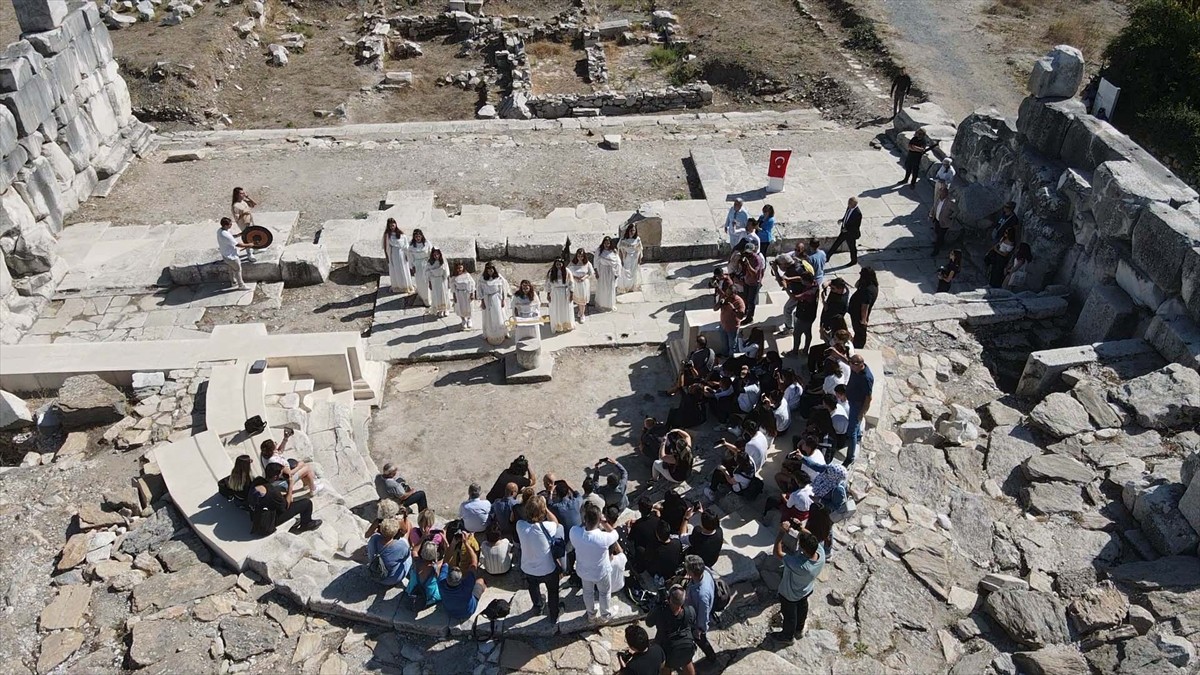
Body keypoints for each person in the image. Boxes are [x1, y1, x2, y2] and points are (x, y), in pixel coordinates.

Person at [770, 523, 825, 645]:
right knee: (802, 607)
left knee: (789, 615)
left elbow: (777, 552)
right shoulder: (820, 553)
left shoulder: (799, 565)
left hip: (790, 594)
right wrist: (799, 527)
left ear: (804, 550)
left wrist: (781, 533)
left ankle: (787, 636)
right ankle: (799, 629)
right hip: (806, 589)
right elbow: (810, 536)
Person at [570, 501, 621, 621]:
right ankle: (605, 615)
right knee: (604, 593)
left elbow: (579, 527)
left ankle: (591, 614)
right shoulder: (603, 538)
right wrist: (604, 522)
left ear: (584, 519)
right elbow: (615, 534)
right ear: (598, 520)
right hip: (601, 572)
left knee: (587, 593)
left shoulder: (574, 532)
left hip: (583, 571)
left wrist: (586, 521)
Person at [516, 495, 563, 620]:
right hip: (548, 569)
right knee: (553, 592)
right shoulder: (548, 527)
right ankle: (554, 614)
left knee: (533, 586)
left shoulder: (520, 526)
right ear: (542, 512)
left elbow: (524, 520)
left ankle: (538, 606)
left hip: (528, 568)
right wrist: (546, 508)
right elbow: (556, 523)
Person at [251, 463, 321, 533]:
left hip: (256, 516)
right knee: (306, 503)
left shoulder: (257, 481)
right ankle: (306, 524)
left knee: (285, 498)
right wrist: (290, 486)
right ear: (275, 477)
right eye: (281, 474)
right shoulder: (273, 492)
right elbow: (286, 506)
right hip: (268, 524)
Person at [647, 586, 697, 675]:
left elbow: (648, 623)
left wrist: (657, 605)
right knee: (687, 661)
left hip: (666, 648)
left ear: (669, 598)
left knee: (665, 666)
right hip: (685, 646)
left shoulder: (660, 612)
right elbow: (692, 623)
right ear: (684, 600)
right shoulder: (690, 611)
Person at [683, 555, 719, 663]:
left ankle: (711, 657)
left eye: (686, 568)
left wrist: (700, 629)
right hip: (694, 606)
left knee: (701, 640)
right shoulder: (706, 572)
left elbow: (703, 615)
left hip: (696, 620)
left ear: (692, 573)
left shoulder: (702, 594)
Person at [843, 355, 873, 467]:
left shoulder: (866, 378)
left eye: (852, 365)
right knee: (855, 427)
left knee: (851, 431)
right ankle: (858, 435)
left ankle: (850, 457)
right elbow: (846, 360)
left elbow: (868, 398)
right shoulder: (855, 368)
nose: (850, 366)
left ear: (860, 365)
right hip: (852, 399)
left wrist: (862, 413)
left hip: (857, 405)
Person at [366, 515, 412, 586]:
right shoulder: (401, 546)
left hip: (374, 574)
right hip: (392, 579)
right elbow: (407, 556)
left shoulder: (374, 538)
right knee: (409, 555)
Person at [406, 540, 445, 609]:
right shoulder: (435, 568)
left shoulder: (416, 562)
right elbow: (445, 560)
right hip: (428, 598)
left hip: (412, 592)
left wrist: (423, 536)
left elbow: (414, 551)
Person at [642, 519, 684, 583]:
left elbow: (647, 559)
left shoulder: (654, 548)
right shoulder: (677, 542)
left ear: (657, 534)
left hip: (659, 572)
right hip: (672, 569)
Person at [478, 262, 510, 345]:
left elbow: (502, 289)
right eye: (488, 269)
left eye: (491, 269)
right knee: (489, 317)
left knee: (499, 315)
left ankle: (503, 332)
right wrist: (482, 302)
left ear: (494, 269)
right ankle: (490, 334)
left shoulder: (499, 277)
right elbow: (480, 290)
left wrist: (503, 300)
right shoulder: (482, 279)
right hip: (487, 299)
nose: (490, 271)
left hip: (497, 298)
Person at [217, 217, 251, 291]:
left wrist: (239, 235)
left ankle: (233, 282)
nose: (231, 225)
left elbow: (231, 237)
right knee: (238, 270)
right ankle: (241, 285)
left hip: (225, 255)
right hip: (232, 257)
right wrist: (249, 245)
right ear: (225, 225)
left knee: (231, 269)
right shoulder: (225, 235)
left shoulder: (220, 231)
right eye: (230, 224)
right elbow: (238, 244)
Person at [848, 267, 878, 349]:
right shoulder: (871, 284)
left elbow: (865, 307)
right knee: (859, 331)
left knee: (860, 331)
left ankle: (858, 346)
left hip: (858, 315)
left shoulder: (868, 291)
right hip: (856, 311)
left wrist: (863, 320)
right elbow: (856, 285)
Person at [383, 218, 415, 295]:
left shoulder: (401, 234)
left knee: (404, 269)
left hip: (402, 254)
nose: (392, 227)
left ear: (396, 224)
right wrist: (388, 257)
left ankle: (406, 285)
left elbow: (406, 244)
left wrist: (407, 254)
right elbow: (386, 247)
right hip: (394, 254)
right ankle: (398, 286)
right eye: (390, 226)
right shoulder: (387, 236)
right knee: (396, 270)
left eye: (393, 225)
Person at [736, 243, 765, 324]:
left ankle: (750, 318)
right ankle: (745, 312)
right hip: (747, 281)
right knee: (745, 298)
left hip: (754, 283)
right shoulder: (746, 257)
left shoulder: (757, 259)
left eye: (749, 253)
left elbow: (754, 273)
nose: (747, 254)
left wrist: (748, 264)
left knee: (751, 301)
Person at [827, 197, 862, 266]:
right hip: (844, 231)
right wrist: (842, 220)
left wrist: (847, 230)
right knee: (836, 243)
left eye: (850, 203)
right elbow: (847, 216)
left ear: (854, 204)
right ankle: (828, 256)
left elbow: (856, 226)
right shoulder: (849, 207)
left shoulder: (858, 214)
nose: (848, 204)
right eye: (848, 202)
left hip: (850, 234)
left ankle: (854, 260)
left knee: (852, 247)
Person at [715, 280, 745, 357]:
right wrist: (720, 303)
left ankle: (731, 360)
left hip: (732, 328)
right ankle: (725, 356)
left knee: (732, 346)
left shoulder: (739, 302)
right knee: (724, 344)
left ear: (734, 294)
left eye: (729, 294)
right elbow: (715, 309)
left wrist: (733, 309)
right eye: (727, 293)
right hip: (723, 325)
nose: (727, 296)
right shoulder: (724, 297)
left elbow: (741, 316)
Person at [546, 259, 575, 333]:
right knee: (556, 308)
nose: (559, 266)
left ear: (563, 264)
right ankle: (558, 325)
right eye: (557, 264)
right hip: (555, 293)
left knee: (565, 308)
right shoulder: (551, 272)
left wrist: (571, 293)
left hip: (565, 292)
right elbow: (548, 284)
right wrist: (548, 294)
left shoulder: (567, 271)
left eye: (560, 264)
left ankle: (566, 324)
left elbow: (571, 283)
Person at [594, 236, 622, 311]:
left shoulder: (614, 251)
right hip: (602, 271)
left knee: (610, 288)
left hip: (611, 272)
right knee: (603, 287)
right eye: (605, 243)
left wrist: (617, 273)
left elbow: (618, 262)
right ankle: (602, 304)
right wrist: (596, 272)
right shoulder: (599, 250)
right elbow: (595, 261)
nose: (607, 245)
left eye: (608, 243)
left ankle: (610, 304)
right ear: (603, 243)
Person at [568, 248, 594, 323]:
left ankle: (582, 314)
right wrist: (575, 278)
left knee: (582, 300)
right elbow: (568, 272)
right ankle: (580, 311)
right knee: (578, 300)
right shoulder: (572, 263)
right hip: (575, 283)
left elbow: (590, 272)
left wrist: (584, 278)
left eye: (582, 256)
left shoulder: (587, 263)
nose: (580, 258)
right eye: (579, 256)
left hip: (584, 283)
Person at [408, 229, 434, 306]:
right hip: (418, 265)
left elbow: (431, 253)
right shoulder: (411, 246)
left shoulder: (427, 243)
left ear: (422, 236)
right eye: (416, 237)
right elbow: (410, 257)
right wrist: (412, 266)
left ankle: (430, 297)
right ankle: (423, 297)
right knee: (420, 282)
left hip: (426, 264)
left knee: (428, 281)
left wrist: (432, 264)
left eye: (419, 236)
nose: (418, 238)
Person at [617, 224, 644, 293]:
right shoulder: (623, 240)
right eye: (631, 230)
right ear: (628, 230)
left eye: (634, 230)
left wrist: (639, 259)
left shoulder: (637, 239)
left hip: (634, 258)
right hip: (626, 258)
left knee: (633, 272)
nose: (632, 232)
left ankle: (632, 286)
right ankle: (626, 286)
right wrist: (620, 259)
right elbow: (620, 250)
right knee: (626, 272)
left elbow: (639, 249)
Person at [930, 186, 956, 256]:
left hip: (944, 222)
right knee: (937, 231)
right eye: (940, 193)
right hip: (937, 220)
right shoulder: (938, 199)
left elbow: (956, 211)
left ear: (946, 194)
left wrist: (950, 217)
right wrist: (931, 214)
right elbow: (934, 207)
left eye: (942, 193)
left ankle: (936, 250)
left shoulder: (950, 202)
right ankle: (941, 243)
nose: (940, 194)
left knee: (939, 236)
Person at [425, 248, 452, 317]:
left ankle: (446, 309)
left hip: (442, 280)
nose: (436, 256)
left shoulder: (443, 262)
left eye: (437, 254)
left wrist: (449, 282)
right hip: (434, 281)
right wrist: (430, 283)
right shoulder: (429, 263)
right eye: (434, 255)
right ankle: (440, 310)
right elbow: (427, 273)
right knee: (436, 295)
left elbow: (447, 273)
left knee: (444, 294)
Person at [450, 261, 476, 329]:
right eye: (458, 268)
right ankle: (463, 320)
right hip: (459, 294)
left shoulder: (467, 275)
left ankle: (469, 319)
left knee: (469, 306)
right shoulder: (454, 277)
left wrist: (472, 293)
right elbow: (453, 288)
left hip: (467, 293)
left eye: (461, 267)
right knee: (460, 307)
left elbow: (472, 284)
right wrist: (454, 296)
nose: (459, 269)